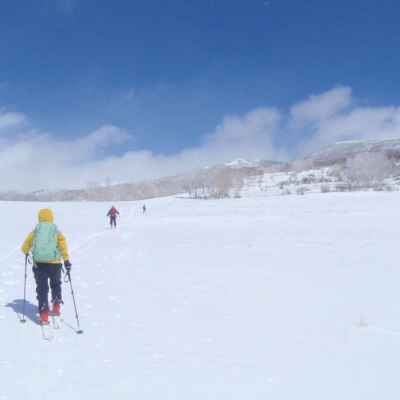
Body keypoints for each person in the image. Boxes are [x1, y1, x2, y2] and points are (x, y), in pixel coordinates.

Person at [21, 208, 71, 325]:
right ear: (51, 217)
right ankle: (56, 306)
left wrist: (27, 251)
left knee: (42, 288)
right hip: (55, 264)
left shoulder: (36, 230)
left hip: (39, 264)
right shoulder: (55, 230)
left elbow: (24, 247)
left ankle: (44, 314)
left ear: (40, 217)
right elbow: (63, 244)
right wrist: (66, 260)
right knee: (55, 284)